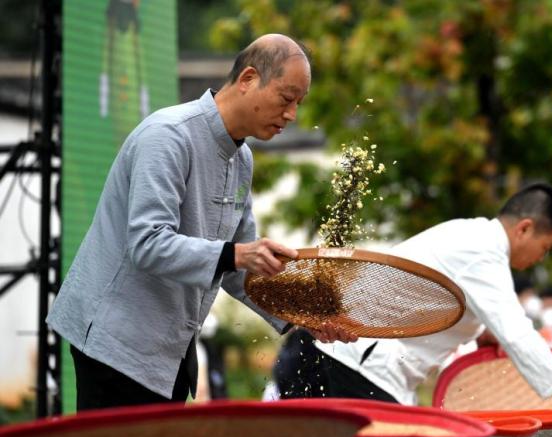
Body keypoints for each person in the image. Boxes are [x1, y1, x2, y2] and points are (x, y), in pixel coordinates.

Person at [47, 34, 354, 411]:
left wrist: (304, 317)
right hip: (115, 345)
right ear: (248, 79)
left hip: (168, 355)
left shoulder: (241, 159)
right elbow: (148, 244)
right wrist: (238, 254)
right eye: (286, 98)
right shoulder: (168, 136)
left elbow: (238, 271)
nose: (292, 115)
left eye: (298, 103)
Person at [272, 184, 552, 408]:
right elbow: (516, 331)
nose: (542, 257)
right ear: (524, 229)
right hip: (346, 364)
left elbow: (434, 304)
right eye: (546, 247)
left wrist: (482, 334)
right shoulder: (481, 250)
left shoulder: (472, 238)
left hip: (345, 362)